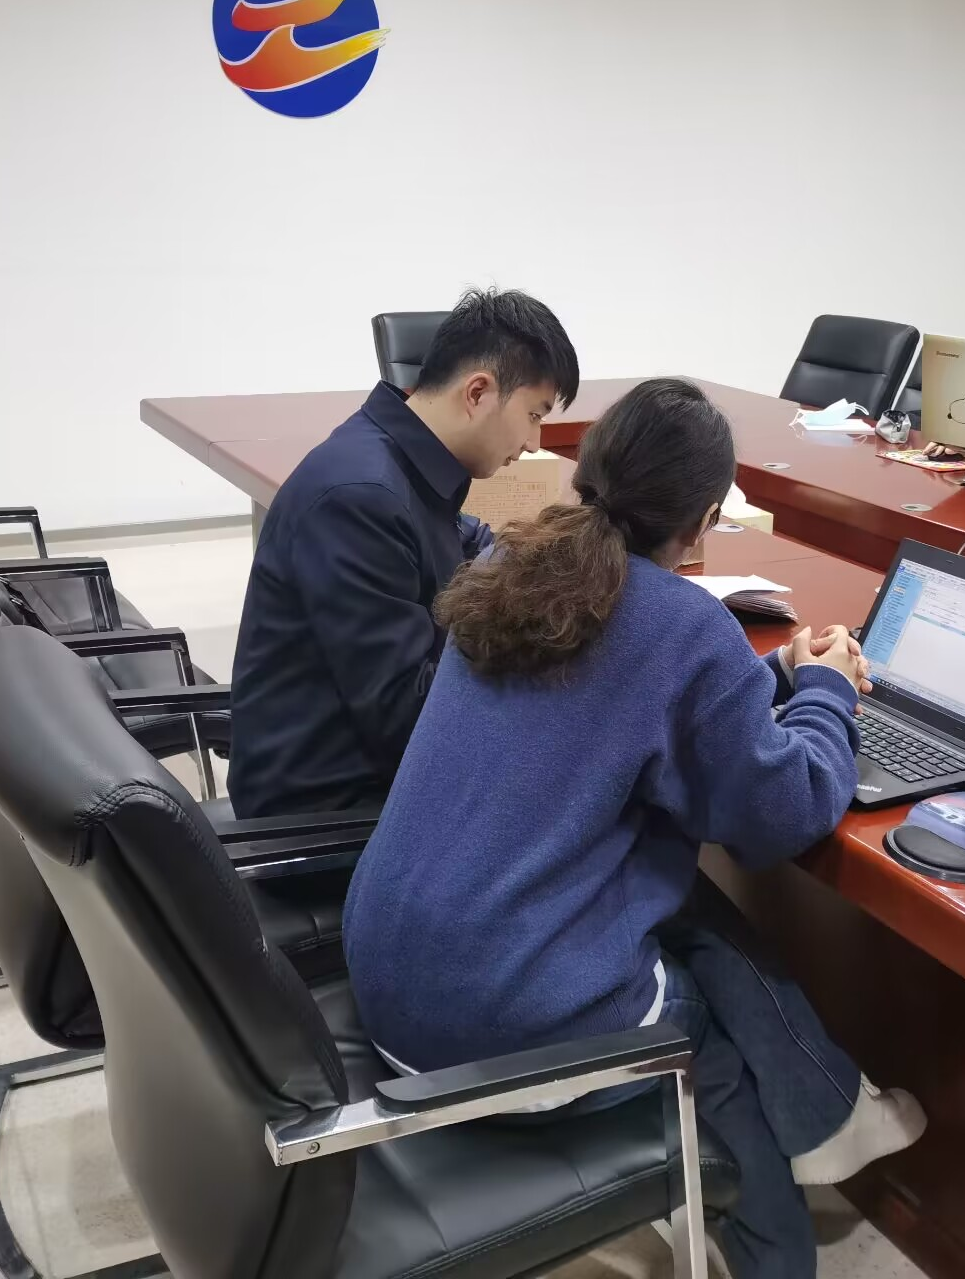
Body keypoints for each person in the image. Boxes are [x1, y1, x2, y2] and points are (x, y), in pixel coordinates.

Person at [342, 378, 926, 1279]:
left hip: (391, 975)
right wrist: (825, 692)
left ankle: (837, 1110)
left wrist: (766, 682)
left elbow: (623, 702)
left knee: (682, 903)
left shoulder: (507, 570)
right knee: (713, 1033)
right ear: (705, 520)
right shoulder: (686, 624)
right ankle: (785, 1242)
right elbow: (779, 815)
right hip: (495, 1028)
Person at [226, 288, 579, 819]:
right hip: (327, 814)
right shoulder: (360, 498)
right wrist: (537, 655)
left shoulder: (398, 459)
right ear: (478, 392)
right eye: (534, 414)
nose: (534, 441)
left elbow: (468, 540)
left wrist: (562, 567)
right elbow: (407, 716)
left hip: (370, 769)